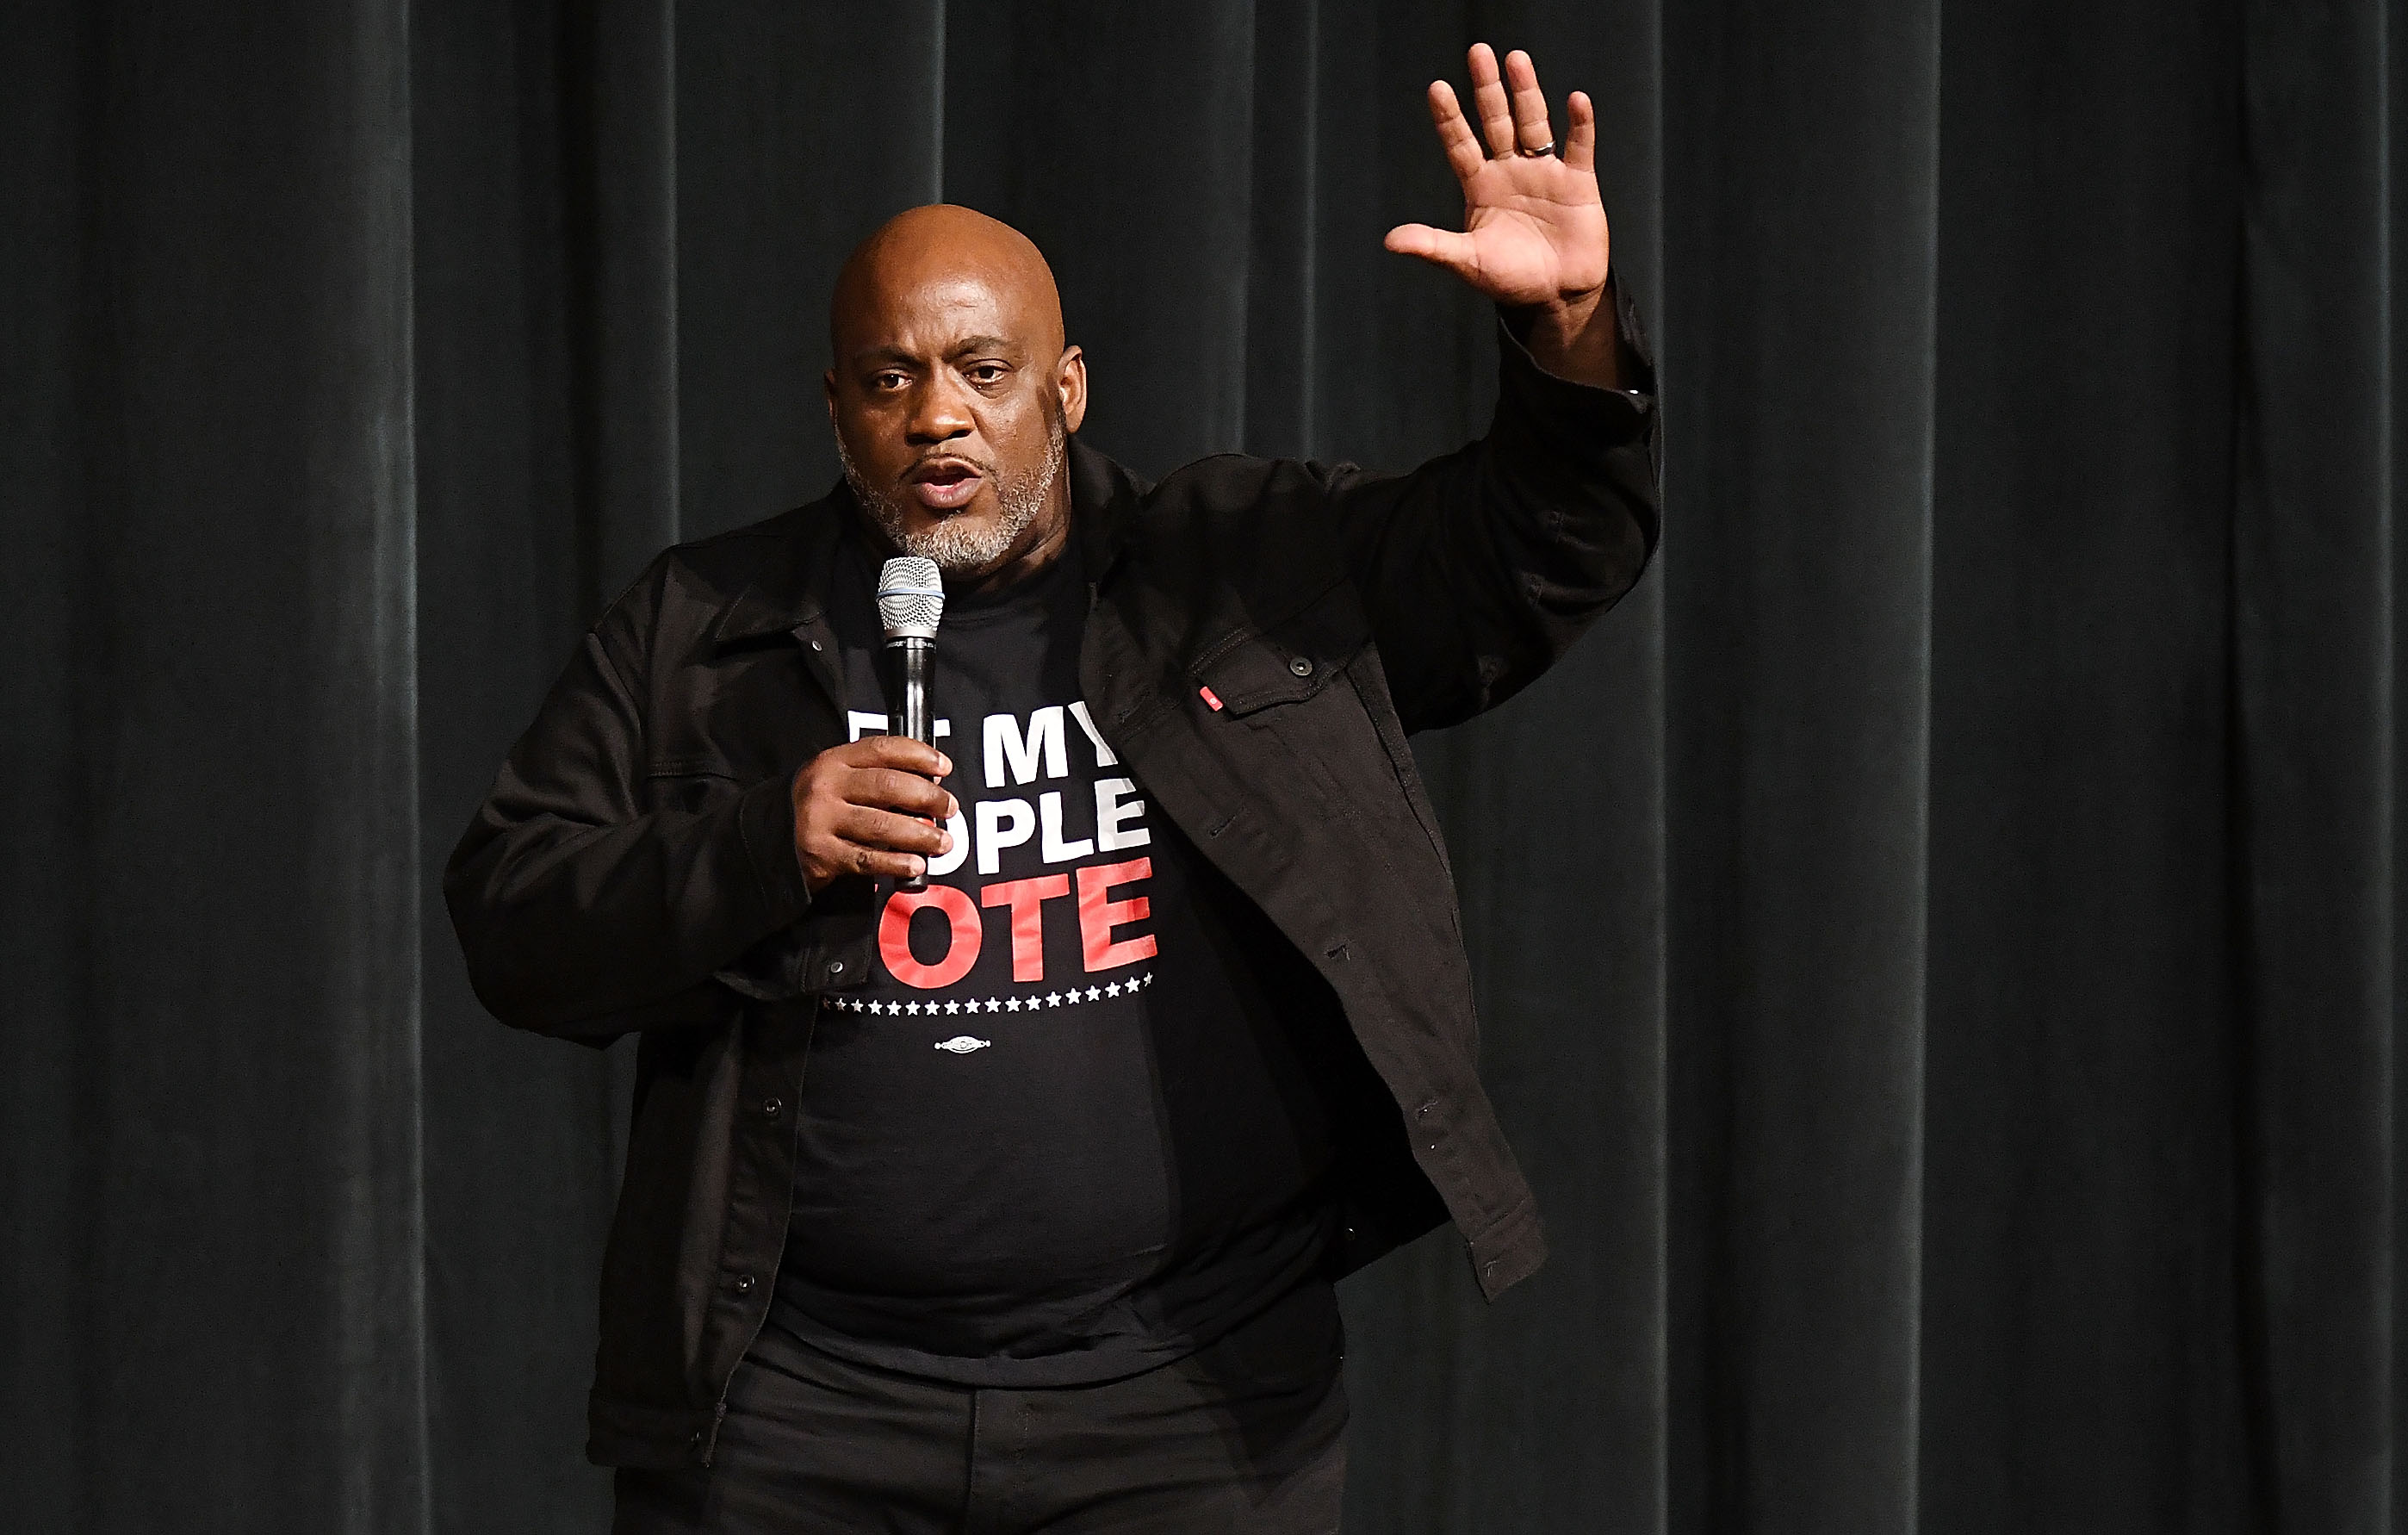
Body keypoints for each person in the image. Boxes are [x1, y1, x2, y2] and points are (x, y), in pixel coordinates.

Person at [446, 42, 1657, 1533]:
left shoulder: (1249, 566)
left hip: (1186, 1406)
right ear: (836, 409)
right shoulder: (701, 628)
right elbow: (511, 916)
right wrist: (764, 841)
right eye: (892, 379)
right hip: (801, 1413)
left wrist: (1570, 336)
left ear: (1066, 387)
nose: (938, 416)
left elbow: (1537, 560)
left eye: (983, 370)